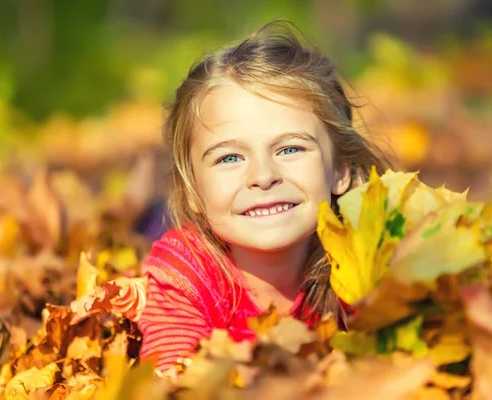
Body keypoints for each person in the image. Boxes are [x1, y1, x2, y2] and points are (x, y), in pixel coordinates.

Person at [138, 20, 390, 372]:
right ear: (194, 190)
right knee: (148, 227)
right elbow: (174, 379)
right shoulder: (186, 271)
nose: (263, 176)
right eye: (229, 158)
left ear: (340, 170)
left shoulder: (365, 264)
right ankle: (142, 210)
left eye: (289, 149)